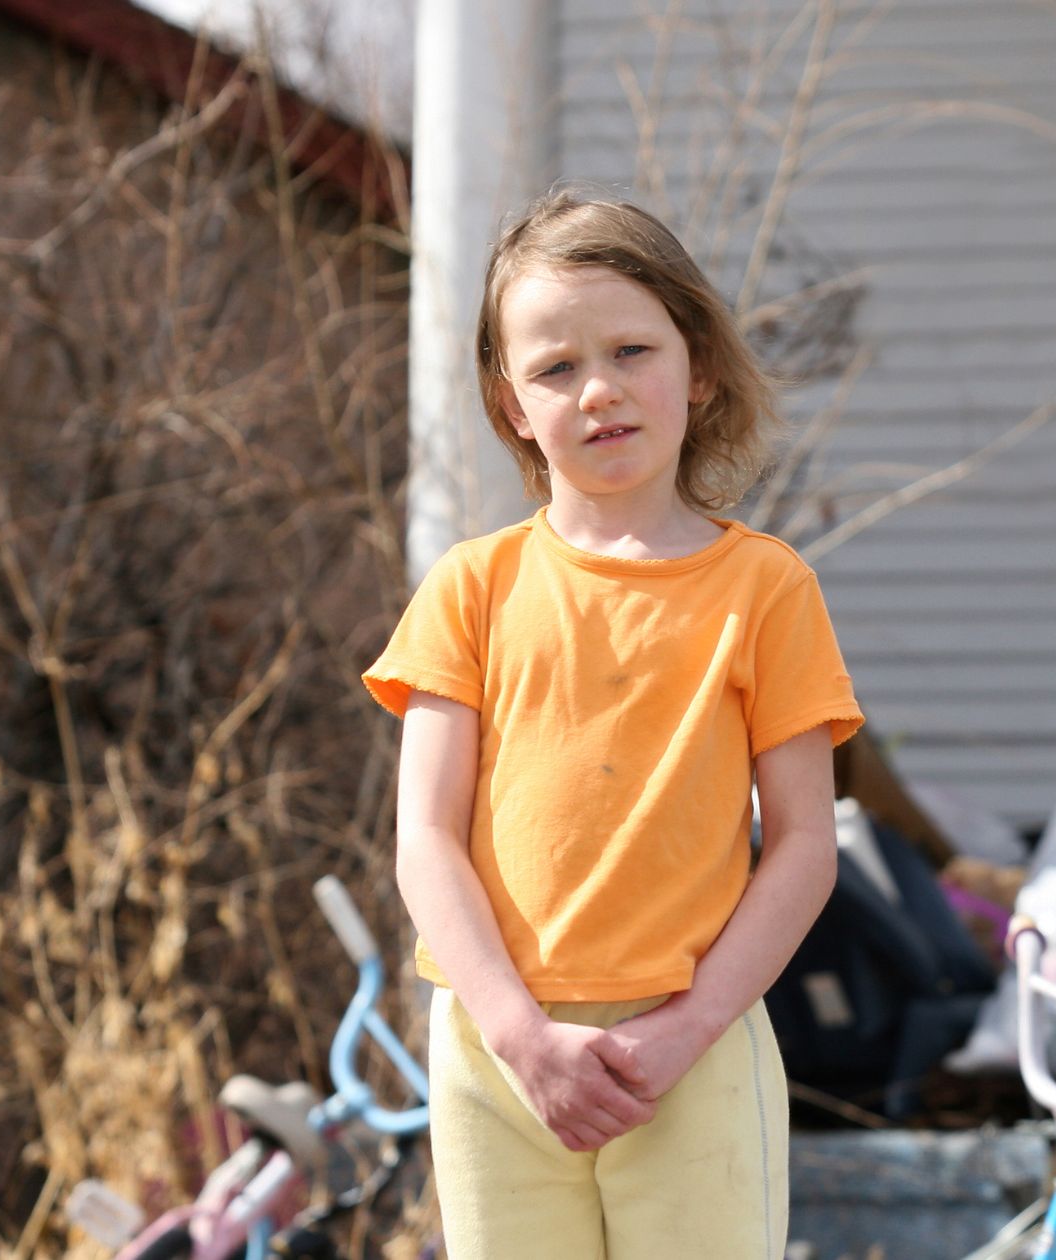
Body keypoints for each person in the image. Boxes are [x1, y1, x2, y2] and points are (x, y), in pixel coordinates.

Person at [361, 186, 862, 1258]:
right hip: (500, 1060)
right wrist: (516, 1034)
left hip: (697, 1055)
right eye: (554, 367)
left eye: (632, 350)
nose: (598, 390)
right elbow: (425, 839)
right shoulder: (470, 588)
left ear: (701, 364)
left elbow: (806, 846)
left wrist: (687, 1031)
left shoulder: (766, 590)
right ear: (509, 403)